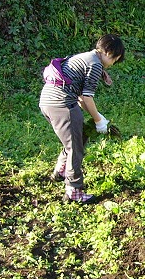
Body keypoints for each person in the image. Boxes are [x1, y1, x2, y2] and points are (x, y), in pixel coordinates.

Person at [39, 34, 125, 204]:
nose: (113, 63)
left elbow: (80, 97)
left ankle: (60, 171)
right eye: (115, 59)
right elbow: (86, 98)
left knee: (72, 141)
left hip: (48, 103)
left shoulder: (85, 57)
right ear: (109, 53)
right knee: (75, 149)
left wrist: (98, 117)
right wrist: (99, 121)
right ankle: (74, 191)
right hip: (62, 105)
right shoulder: (94, 65)